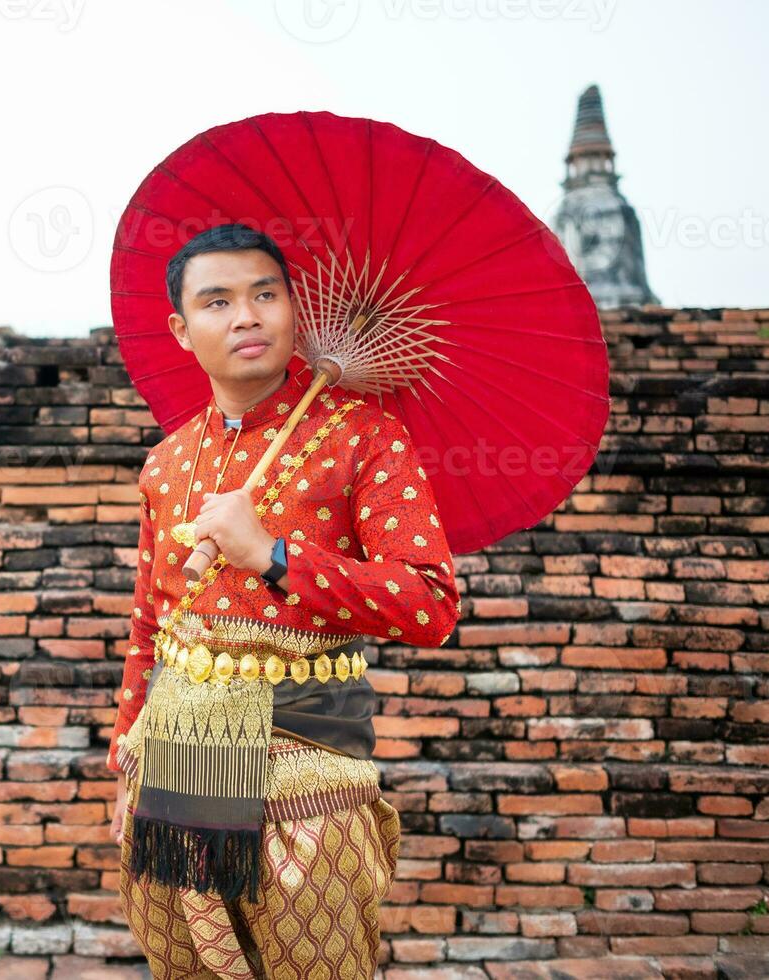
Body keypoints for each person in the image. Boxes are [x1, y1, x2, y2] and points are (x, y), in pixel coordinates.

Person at [105, 223, 462, 979]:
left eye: (266, 294)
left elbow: (428, 603)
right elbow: (149, 623)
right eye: (219, 300)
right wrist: (123, 759)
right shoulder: (168, 463)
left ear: (293, 308)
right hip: (175, 757)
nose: (247, 316)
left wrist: (273, 556)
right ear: (181, 328)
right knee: (188, 966)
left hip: (304, 763)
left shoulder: (366, 437)